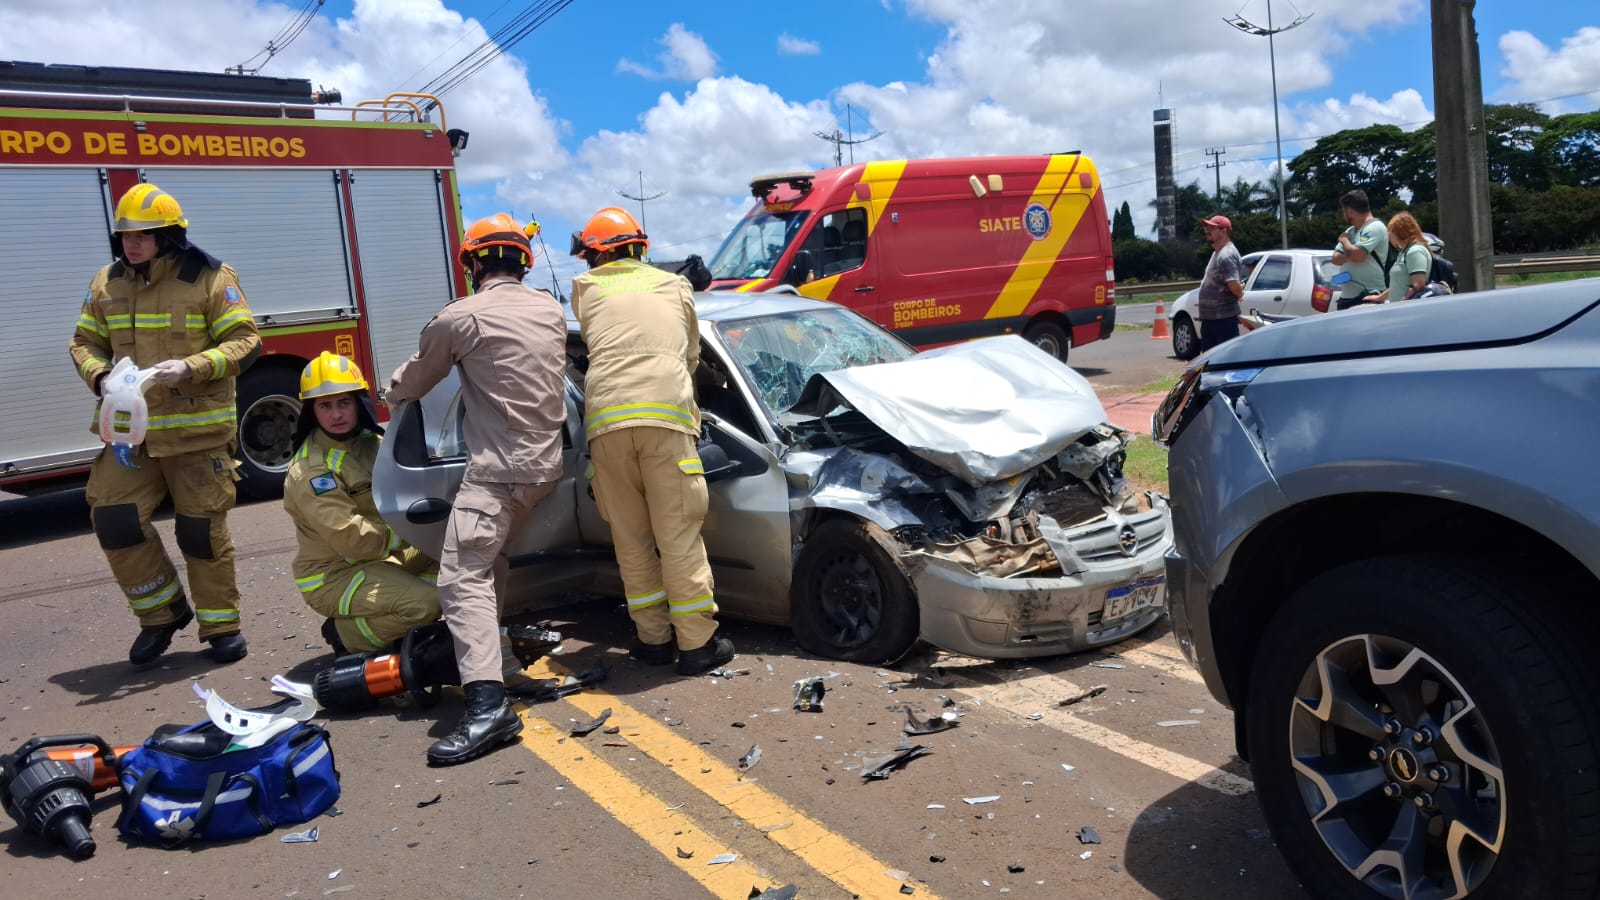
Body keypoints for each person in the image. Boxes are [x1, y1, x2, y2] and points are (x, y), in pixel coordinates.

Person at [387, 213, 566, 766]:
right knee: (490, 566)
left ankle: (489, 707)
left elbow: (415, 382)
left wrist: (386, 388)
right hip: (545, 468)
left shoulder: (460, 319)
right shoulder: (550, 309)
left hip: (497, 473)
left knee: (461, 577)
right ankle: (502, 667)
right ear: (524, 262)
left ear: (472, 265)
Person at [68, 184, 261, 667]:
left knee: (200, 532)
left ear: (170, 236)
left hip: (197, 434)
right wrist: (99, 375)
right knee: (112, 519)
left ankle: (221, 628)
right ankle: (161, 614)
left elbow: (246, 342)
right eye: (126, 236)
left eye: (145, 235)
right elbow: (83, 343)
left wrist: (193, 366)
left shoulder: (211, 278)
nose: (132, 245)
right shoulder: (106, 283)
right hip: (131, 435)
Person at [569, 206, 735, 677]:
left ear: (594, 255)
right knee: (678, 537)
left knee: (631, 540)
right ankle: (698, 646)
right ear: (640, 247)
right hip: (665, 420)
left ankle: (653, 641)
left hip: (606, 426)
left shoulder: (585, 288)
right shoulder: (675, 285)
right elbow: (690, 355)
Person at [283, 352, 439, 655]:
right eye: (325, 406)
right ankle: (347, 635)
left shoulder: (371, 444)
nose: (336, 415)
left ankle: (406, 627)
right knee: (428, 603)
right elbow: (351, 537)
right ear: (311, 411)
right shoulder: (312, 471)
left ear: (358, 404)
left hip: (378, 558)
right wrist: (410, 529)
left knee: (458, 564)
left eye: (344, 403)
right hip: (335, 575)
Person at [1195, 214, 1245, 354]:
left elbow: (1234, 285)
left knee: (1227, 358)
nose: (1207, 230)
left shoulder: (1226, 255)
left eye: (1212, 228)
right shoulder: (1218, 253)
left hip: (1223, 319)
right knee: (1209, 361)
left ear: (1224, 231)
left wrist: (1240, 293)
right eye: (1207, 227)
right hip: (1212, 320)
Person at [1331, 189, 1389, 309]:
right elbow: (1335, 259)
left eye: (1344, 210)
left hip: (1368, 296)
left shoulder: (1374, 227)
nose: (1343, 214)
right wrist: (1351, 253)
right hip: (1346, 298)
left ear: (1350, 211)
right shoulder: (1350, 231)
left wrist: (1345, 242)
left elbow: (1358, 256)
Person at [1379, 211, 1434, 302]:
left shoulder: (1415, 251)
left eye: (1390, 231)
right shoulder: (1403, 252)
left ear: (1399, 232)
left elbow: (1418, 284)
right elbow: (1398, 285)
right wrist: (1379, 298)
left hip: (1407, 310)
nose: (1389, 236)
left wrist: (1401, 303)